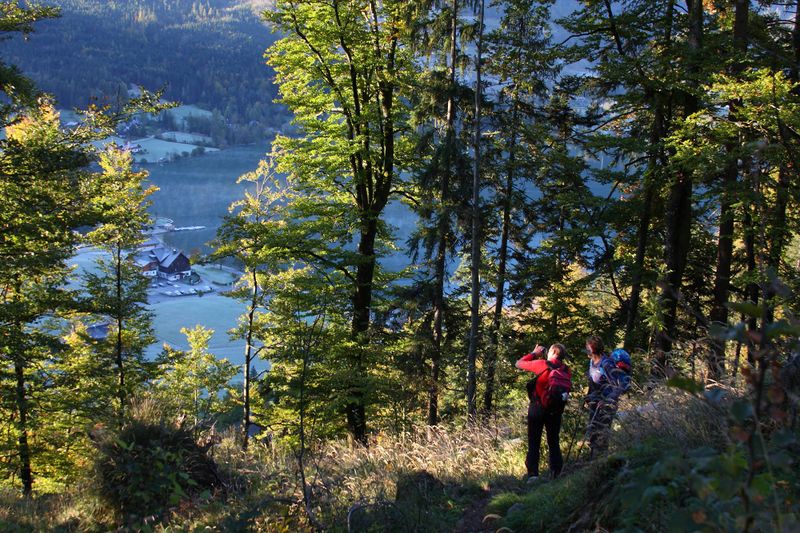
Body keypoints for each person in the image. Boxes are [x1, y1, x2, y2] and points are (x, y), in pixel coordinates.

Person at [516, 343, 572, 482]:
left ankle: (533, 474)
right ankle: (556, 473)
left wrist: (534, 353)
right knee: (553, 441)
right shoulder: (566, 369)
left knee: (534, 440)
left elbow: (519, 363)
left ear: (553, 352)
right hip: (556, 409)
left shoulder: (543, 364)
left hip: (538, 408)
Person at [584, 335, 626, 459]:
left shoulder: (606, 364)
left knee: (602, 432)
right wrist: (588, 396)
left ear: (593, 348)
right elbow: (592, 382)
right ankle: (593, 460)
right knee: (593, 431)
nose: (586, 350)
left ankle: (601, 460)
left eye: (587, 347)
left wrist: (607, 400)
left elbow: (617, 386)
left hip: (606, 404)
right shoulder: (591, 362)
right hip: (594, 403)